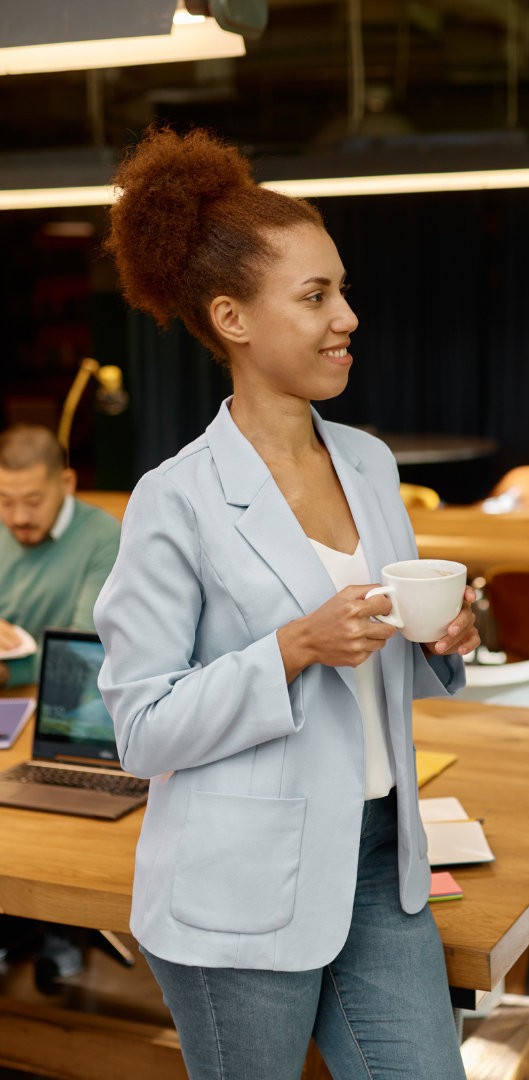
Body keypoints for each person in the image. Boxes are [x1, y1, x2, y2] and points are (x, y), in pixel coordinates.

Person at [94, 126, 480, 1080]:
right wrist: (292, 647)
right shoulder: (173, 498)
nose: (346, 315)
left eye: (341, 289)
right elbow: (140, 729)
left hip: (382, 861)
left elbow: (388, 643)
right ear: (231, 318)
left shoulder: (370, 461)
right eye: (315, 297)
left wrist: (444, 640)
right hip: (240, 888)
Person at [0, 424, 121, 688]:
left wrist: (6, 672)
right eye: (5, 501)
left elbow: (84, 647)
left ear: (67, 483)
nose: (19, 517)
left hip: (59, 694)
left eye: (33, 502)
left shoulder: (104, 538)